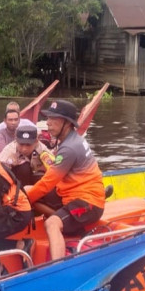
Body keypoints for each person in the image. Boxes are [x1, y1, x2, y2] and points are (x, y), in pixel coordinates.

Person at [25, 100, 106, 260]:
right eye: (47, 118)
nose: (47, 123)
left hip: (88, 202)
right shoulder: (73, 140)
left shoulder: (69, 148)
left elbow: (48, 182)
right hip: (74, 193)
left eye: (53, 119)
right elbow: (55, 174)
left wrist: (24, 200)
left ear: (67, 123)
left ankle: (58, 266)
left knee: (51, 224)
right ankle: (63, 218)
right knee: (29, 189)